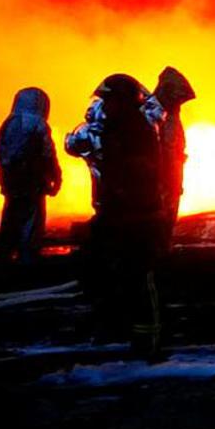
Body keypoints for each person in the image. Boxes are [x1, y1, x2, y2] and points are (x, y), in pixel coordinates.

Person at [66, 74, 165, 357]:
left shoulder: (136, 131)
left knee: (139, 279)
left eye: (110, 100)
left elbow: (136, 174)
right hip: (116, 214)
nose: (105, 106)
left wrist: (121, 199)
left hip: (137, 218)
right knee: (109, 274)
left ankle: (148, 341)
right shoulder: (114, 128)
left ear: (124, 101)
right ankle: (121, 329)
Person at [0, 87, 62, 263]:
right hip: (33, 181)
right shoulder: (38, 124)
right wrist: (56, 175)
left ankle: (4, 256)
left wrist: (5, 174)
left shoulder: (8, 123)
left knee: (10, 217)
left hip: (11, 181)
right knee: (32, 220)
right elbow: (48, 153)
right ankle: (27, 259)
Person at [144, 66, 196, 252]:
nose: (179, 103)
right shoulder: (152, 114)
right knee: (156, 220)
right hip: (158, 176)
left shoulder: (171, 114)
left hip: (172, 173)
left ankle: (162, 251)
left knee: (167, 219)